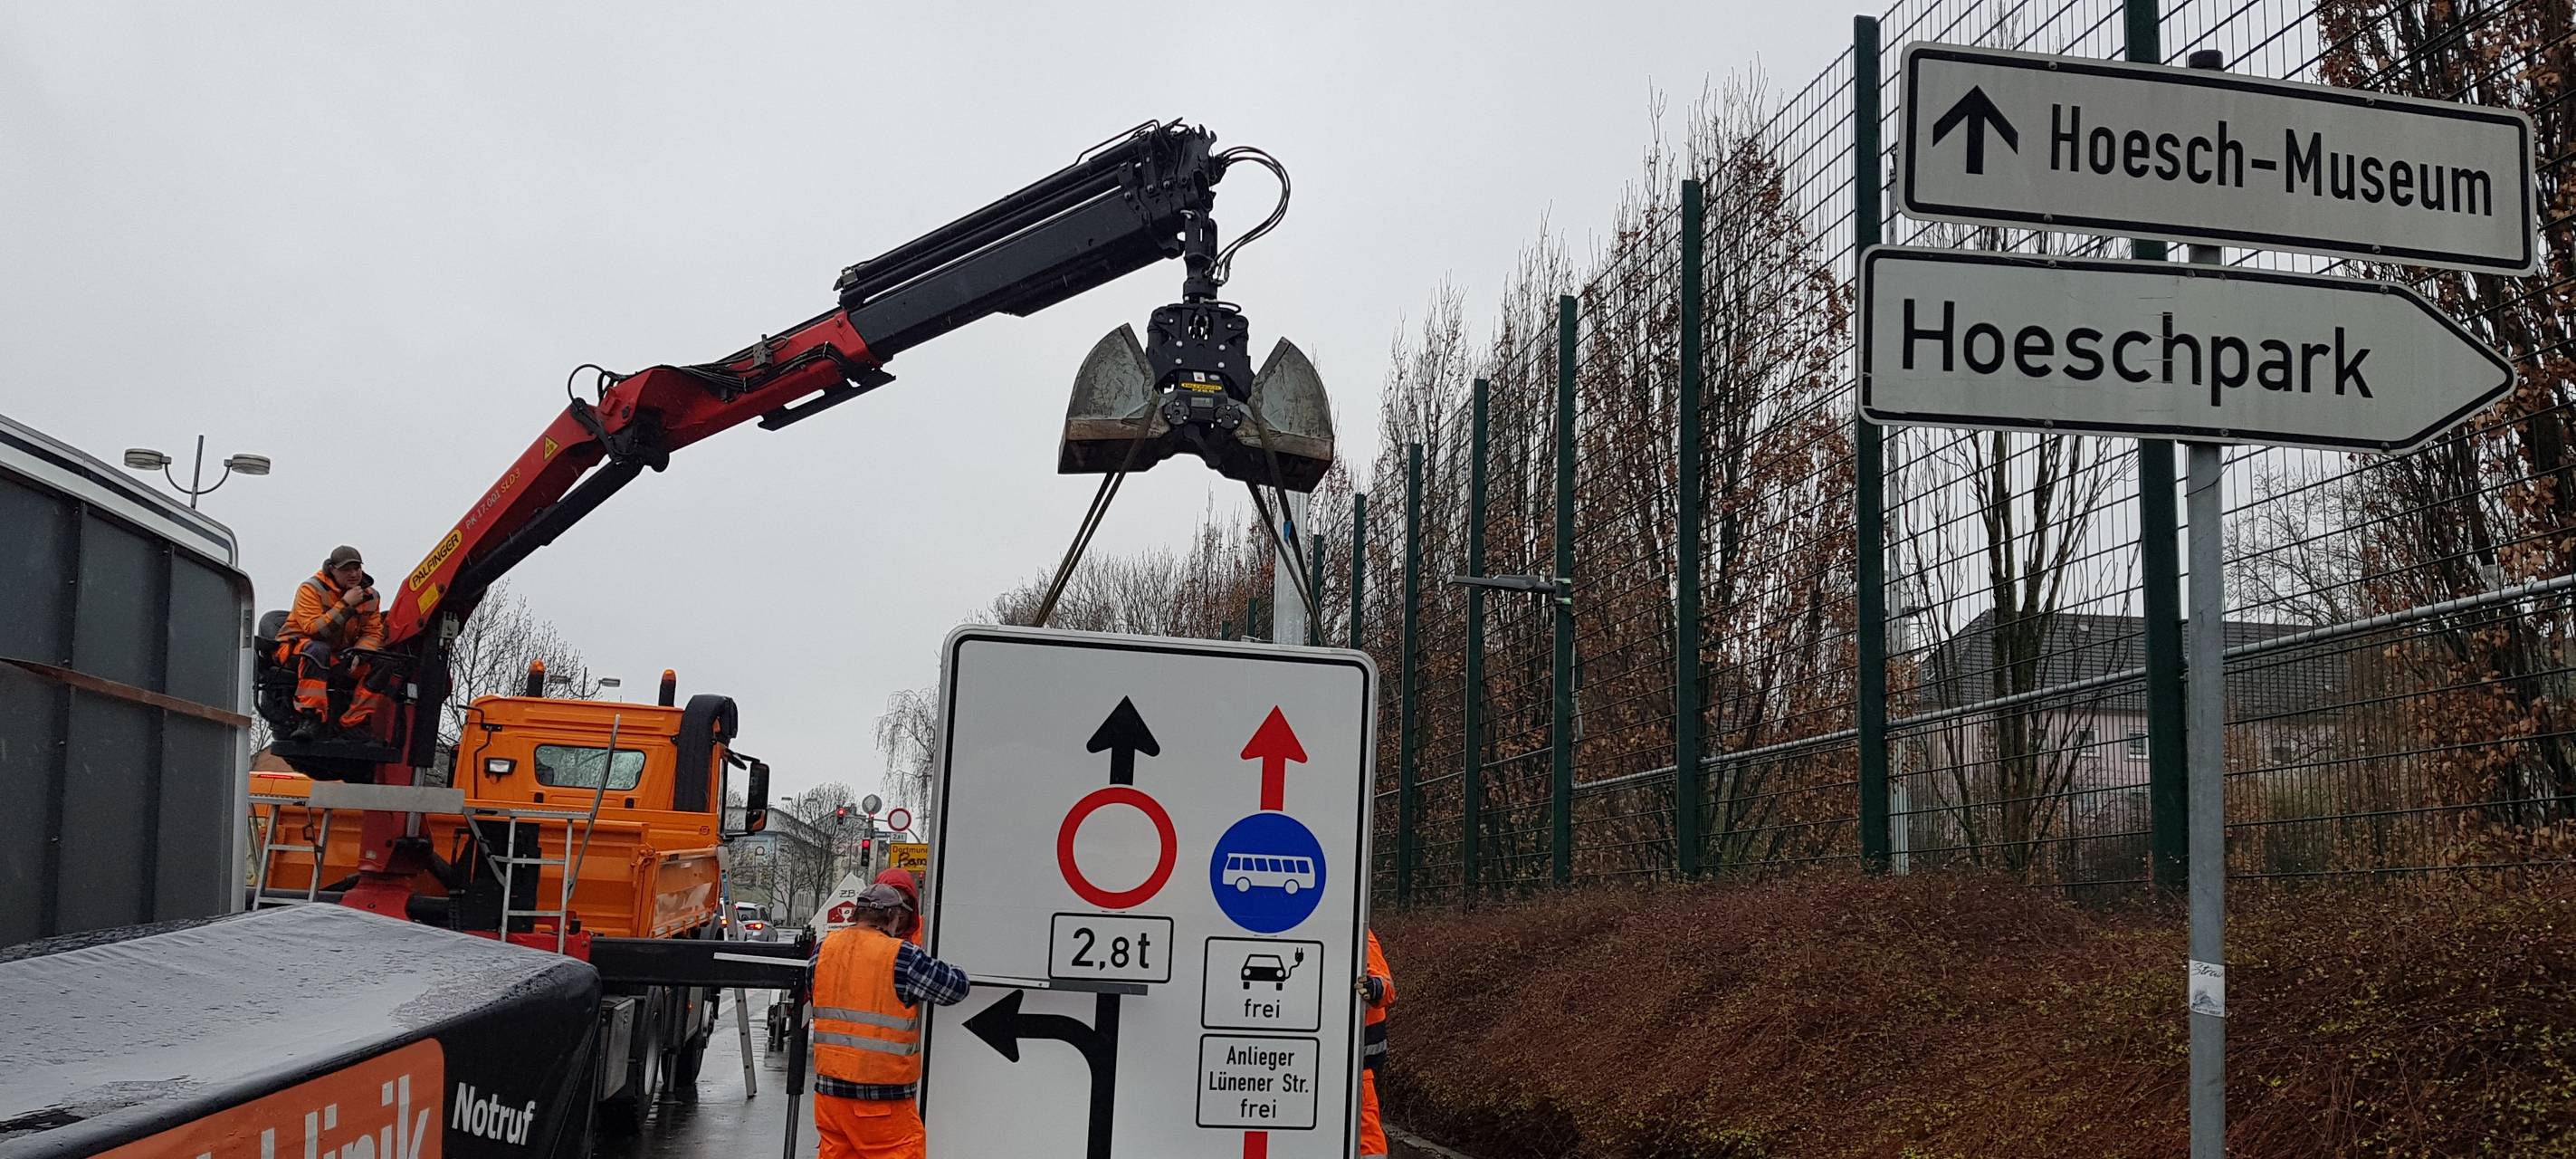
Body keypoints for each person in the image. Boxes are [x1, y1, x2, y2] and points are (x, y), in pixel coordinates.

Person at [810, 883, 970, 1159]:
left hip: (829, 1099)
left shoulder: (823, 950)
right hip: (881, 1103)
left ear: (856, 914)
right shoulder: (901, 956)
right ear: (894, 917)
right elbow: (955, 987)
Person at [278, 545, 388, 742]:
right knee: (317, 650)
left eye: (357, 568)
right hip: (297, 649)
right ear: (332, 570)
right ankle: (310, 717)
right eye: (347, 569)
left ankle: (354, 722)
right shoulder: (311, 589)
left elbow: (372, 632)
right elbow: (316, 631)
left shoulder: (371, 596)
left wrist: (360, 653)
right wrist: (346, 605)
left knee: (383, 662)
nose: (354, 574)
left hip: (339, 655)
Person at [1357, 928, 1395, 1159]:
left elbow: (1386, 988)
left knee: (1368, 1140)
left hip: (1360, 1064)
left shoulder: (1359, 934)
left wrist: (1374, 987)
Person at [872, 867, 925, 946]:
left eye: (905, 904)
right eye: (891, 904)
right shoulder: (858, 936)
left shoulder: (927, 932)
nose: (898, 912)